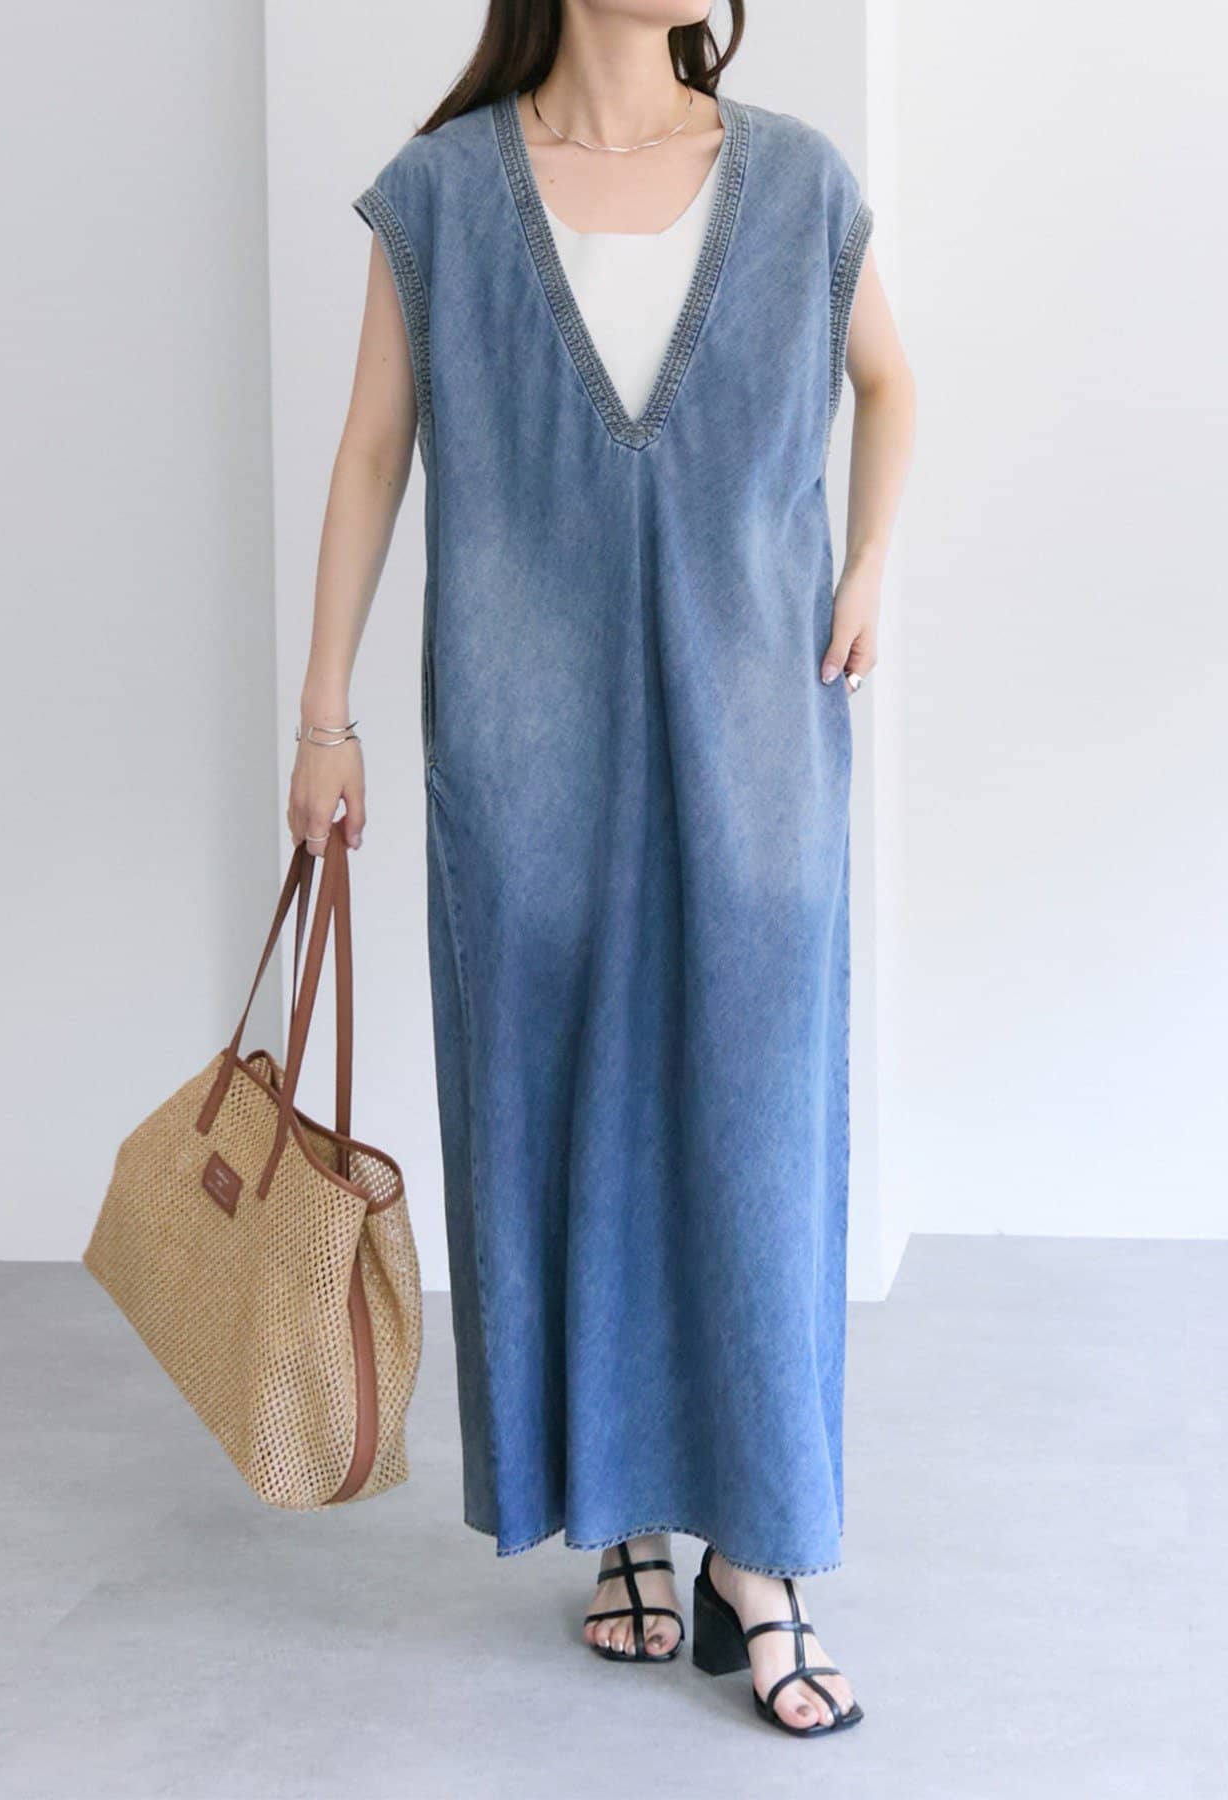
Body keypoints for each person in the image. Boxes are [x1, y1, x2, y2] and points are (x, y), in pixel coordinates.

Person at [287, 0, 914, 1739]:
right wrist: (326, 716)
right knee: (559, 1115)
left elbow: (889, 378)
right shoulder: (443, 195)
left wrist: (869, 561)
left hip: (759, 738)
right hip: (527, 747)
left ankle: (760, 1556)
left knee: (758, 1130)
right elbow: (371, 451)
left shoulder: (796, 180)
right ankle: (622, 1515)